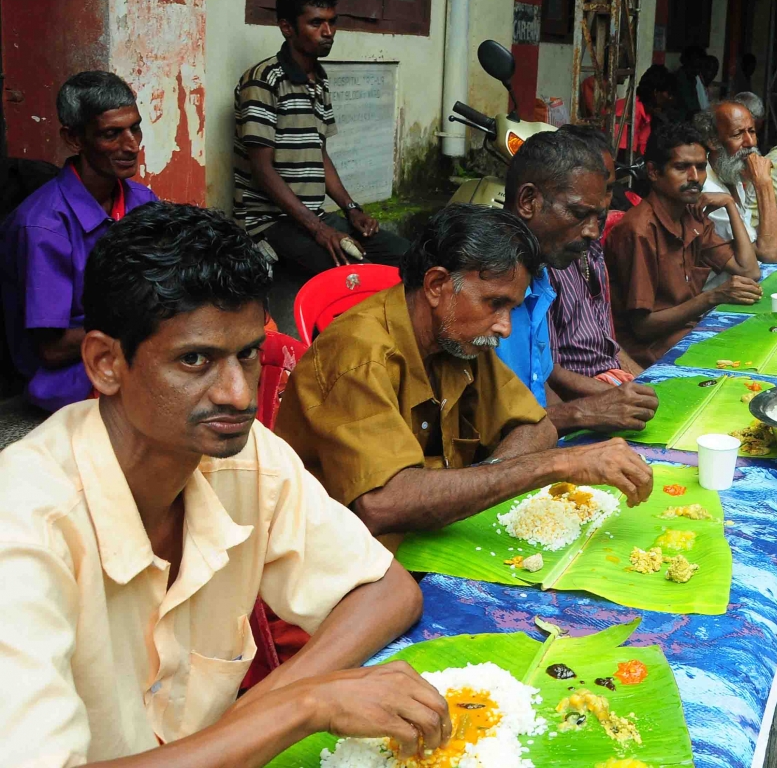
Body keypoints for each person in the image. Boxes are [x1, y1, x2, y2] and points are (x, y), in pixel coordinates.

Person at [0, 201, 453, 764]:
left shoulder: (242, 457)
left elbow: (385, 591)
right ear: (105, 363)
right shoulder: (22, 526)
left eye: (247, 355)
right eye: (195, 359)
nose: (238, 395)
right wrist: (301, 706)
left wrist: (252, 718)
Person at [273, 204, 653, 546]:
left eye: (512, 308)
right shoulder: (360, 354)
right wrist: (556, 465)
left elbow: (536, 427)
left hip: (430, 540)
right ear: (437, 285)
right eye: (496, 303)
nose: (505, 327)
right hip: (342, 557)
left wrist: (482, 484)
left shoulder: (458, 337)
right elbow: (383, 505)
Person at [0, 72, 158, 412]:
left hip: (133, 344)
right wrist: (142, 318)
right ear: (74, 139)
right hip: (70, 380)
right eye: (111, 134)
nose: (131, 145)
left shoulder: (141, 201)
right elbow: (52, 349)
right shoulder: (43, 227)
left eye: (135, 128)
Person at [233, 0, 408, 276]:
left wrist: (351, 209)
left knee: (407, 256)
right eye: (316, 23)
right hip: (270, 223)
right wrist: (318, 229)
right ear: (287, 27)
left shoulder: (319, 79)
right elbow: (262, 169)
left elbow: (320, 155)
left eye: (331, 22)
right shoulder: (263, 81)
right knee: (357, 274)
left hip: (313, 217)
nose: (328, 32)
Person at [498, 130, 659, 434]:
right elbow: (489, 425)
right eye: (578, 213)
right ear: (528, 201)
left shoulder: (539, 276)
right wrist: (580, 414)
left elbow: (539, 390)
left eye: (596, 217)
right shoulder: (484, 286)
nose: (591, 231)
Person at [606, 122, 762, 367]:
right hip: (652, 352)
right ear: (654, 172)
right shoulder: (640, 231)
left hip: (687, 332)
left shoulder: (691, 216)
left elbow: (749, 270)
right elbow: (643, 328)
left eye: (700, 168)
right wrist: (713, 297)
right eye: (681, 167)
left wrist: (730, 204)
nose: (695, 178)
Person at [549, 125, 652, 387]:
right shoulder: (548, 258)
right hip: (587, 394)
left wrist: (650, 384)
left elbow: (608, 345)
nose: (604, 204)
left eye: (608, 190)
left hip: (612, 382)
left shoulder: (592, 246)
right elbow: (550, 372)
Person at [696, 99, 777, 265]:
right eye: (737, 134)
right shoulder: (707, 188)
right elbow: (769, 254)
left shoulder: (730, 172)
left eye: (752, 131)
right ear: (713, 141)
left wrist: (775, 228)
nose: (750, 142)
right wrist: (764, 183)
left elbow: (744, 234)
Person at [617, 64, 675, 156]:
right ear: (656, 92)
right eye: (669, 94)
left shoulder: (649, 114)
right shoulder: (628, 112)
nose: (671, 98)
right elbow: (622, 156)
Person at [674, 46, 709, 118]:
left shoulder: (693, 78)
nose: (698, 70)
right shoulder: (680, 79)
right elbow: (690, 108)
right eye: (696, 66)